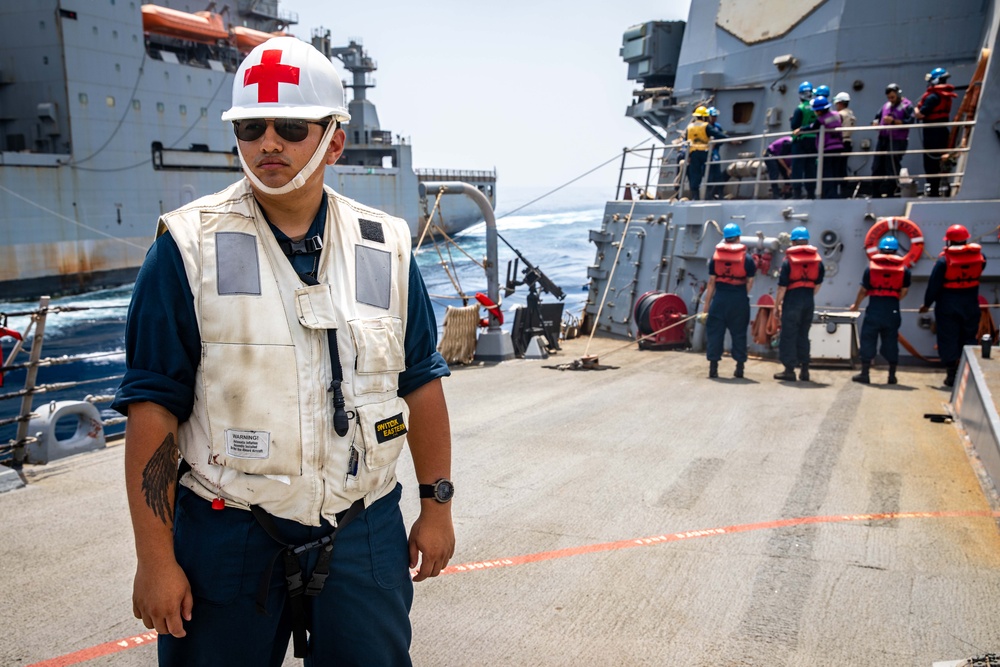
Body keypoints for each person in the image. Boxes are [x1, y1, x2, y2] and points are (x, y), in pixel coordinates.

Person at [113, 37, 455, 665]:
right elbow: (152, 409)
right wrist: (155, 560)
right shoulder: (186, 249)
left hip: (364, 527)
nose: (268, 142)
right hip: (227, 530)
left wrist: (437, 507)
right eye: (250, 127)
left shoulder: (385, 247)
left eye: (291, 126)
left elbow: (420, 382)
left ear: (334, 139)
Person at [919, 224, 986, 386]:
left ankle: (951, 375)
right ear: (966, 239)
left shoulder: (944, 261)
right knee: (969, 337)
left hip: (948, 305)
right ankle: (968, 374)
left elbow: (933, 286)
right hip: (970, 304)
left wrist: (927, 304)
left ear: (948, 242)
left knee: (948, 338)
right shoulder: (980, 257)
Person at [849, 236, 911, 384]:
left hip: (875, 307)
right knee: (891, 340)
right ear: (896, 250)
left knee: (868, 338)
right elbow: (904, 291)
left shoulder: (871, 268)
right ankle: (892, 375)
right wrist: (893, 300)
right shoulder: (904, 270)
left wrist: (856, 305)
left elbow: (863, 290)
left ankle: (865, 374)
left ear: (880, 249)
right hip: (892, 309)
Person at [702, 223, 757, 378]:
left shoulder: (716, 257)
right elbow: (750, 282)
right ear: (738, 237)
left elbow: (711, 282)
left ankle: (713, 368)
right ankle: (739, 368)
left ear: (725, 239)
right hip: (739, 298)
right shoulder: (747, 259)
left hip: (719, 299)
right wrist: (740, 294)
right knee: (739, 333)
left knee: (715, 333)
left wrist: (706, 305)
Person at [773, 226, 824, 381]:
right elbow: (817, 285)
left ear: (793, 242)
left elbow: (782, 288)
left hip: (792, 301)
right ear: (807, 241)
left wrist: (777, 306)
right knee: (803, 334)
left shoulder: (788, 262)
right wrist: (807, 296)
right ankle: (805, 370)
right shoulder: (818, 261)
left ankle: (789, 370)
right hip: (808, 300)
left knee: (788, 335)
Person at [915, 67, 958, 197]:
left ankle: (934, 191)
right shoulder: (946, 97)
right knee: (941, 161)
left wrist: (916, 110)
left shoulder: (933, 97)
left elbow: (921, 115)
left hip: (932, 134)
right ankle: (942, 187)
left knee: (930, 163)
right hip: (942, 132)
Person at [870, 83, 915, 197]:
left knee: (892, 165)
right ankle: (876, 192)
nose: (891, 100)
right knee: (877, 166)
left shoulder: (907, 106)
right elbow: (877, 117)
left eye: (893, 97)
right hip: (883, 139)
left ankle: (891, 191)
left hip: (897, 140)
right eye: (889, 97)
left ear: (898, 95)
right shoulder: (886, 106)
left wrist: (894, 121)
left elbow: (910, 121)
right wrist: (875, 123)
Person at [796, 95, 844, 199]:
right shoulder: (837, 115)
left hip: (828, 149)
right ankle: (836, 193)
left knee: (827, 173)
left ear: (819, 111)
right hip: (839, 146)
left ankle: (829, 195)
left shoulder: (821, 119)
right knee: (836, 172)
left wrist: (800, 129)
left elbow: (812, 127)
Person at [684, 106, 725, 200]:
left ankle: (698, 196)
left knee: (697, 174)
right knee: (708, 172)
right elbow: (720, 135)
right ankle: (706, 195)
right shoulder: (706, 126)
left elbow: (687, 140)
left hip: (695, 153)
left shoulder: (690, 127)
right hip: (706, 152)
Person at [789, 81, 818, 198]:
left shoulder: (800, 108)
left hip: (800, 140)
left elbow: (794, 126)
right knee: (811, 167)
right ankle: (811, 193)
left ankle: (797, 192)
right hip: (814, 141)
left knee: (798, 167)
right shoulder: (816, 108)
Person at [833, 91, 857, 197]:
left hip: (840, 142)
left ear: (840, 103)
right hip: (848, 142)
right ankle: (845, 191)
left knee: (838, 169)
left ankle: (839, 192)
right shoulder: (850, 113)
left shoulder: (840, 115)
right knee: (842, 167)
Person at [705, 106, 729, 200]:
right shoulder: (705, 127)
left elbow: (721, 136)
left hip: (714, 152)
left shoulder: (717, 127)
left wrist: (717, 143)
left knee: (717, 174)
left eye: (715, 116)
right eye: (713, 116)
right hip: (705, 152)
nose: (715, 118)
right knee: (709, 175)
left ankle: (720, 193)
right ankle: (708, 195)